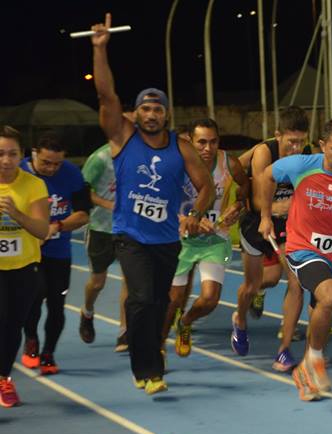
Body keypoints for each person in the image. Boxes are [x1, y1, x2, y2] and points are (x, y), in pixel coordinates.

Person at [90, 13, 214, 395]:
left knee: (160, 304)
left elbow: (206, 185)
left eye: (157, 109)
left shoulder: (181, 147)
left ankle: (151, 365)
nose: (151, 114)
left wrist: (194, 214)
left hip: (166, 240)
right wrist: (100, 50)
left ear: (165, 115)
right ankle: (145, 366)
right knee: (141, 298)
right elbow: (106, 95)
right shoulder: (123, 139)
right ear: (136, 113)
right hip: (129, 235)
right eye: (145, 108)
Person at [256, 117, 332, 400]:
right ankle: (314, 361)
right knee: (329, 295)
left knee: (324, 309)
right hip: (302, 248)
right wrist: (265, 216)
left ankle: (307, 368)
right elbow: (265, 175)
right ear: (322, 145)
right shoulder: (301, 165)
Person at [162, 118, 248, 358]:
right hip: (180, 239)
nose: (207, 149)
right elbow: (163, 205)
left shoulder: (229, 163)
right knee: (174, 300)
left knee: (210, 299)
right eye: (201, 142)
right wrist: (189, 220)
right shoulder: (176, 165)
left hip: (214, 239)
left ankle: (186, 322)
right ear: (190, 141)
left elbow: (245, 186)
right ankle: (158, 345)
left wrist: (238, 205)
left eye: (213, 142)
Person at [232, 107, 310, 369]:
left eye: (301, 141)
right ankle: (240, 319)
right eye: (291, 142)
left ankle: (284, 349)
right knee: (257, 284)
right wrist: (269, 213)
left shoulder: (305, 154)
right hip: (258, 220)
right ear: (278, 136)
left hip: (288, 224)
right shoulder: (264, 152)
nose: (297, 148)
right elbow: (258, 194)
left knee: (295, 281)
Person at [19, 132, 90, 374]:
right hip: (27, 252)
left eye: (57, 163)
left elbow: (83, 214)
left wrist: (56, 226)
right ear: (34, 153)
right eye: (46, 162)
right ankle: (31, 340)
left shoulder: (71, 174)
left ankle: (48, 353)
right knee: (34, 297)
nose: (51, 168)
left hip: (59, 251)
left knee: (57, 304)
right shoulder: (18, 172)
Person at [0, 126, 50, 407]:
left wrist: (16, 214)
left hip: (23, 268)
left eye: (12, 154)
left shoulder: (33, 185)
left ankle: (4, 377)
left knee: (11, 327)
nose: (6, 161)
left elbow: (42, 230)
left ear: (22, 155)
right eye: (0, 154)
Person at [80, 140, 128, 351]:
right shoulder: (99, 158)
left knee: (131, 279)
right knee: (97, 282)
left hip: (128, 229)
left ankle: (124, 332)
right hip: (101, 228)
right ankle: (87, 311)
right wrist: (109, 204)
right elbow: (83, 192)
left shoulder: (140, 156)